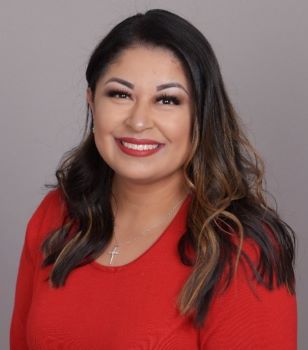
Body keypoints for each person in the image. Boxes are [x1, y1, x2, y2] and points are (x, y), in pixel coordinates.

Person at [10, 9, 297, 350]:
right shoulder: (55, 215)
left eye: (167, 100)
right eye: (120, 94)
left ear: (201, 116)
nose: (139, 121)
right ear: (92, 101)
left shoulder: (239, 251)